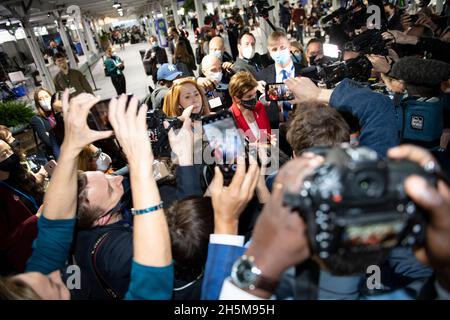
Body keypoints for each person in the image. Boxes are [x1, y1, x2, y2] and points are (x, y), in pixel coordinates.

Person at [0, 90, 174, 300]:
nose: (58, 273)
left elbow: (53, 226)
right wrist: (140, 165)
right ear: (100, 218)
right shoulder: (118, 252)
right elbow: (154, 279)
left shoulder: (55, 267)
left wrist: (72, 145)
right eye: (54, 285)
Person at [0, 139, 46, 274]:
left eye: (9, 150)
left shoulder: (18, 175)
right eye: (3, 155)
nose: (10, 156)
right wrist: (35, 219)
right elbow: (4, 242)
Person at [256, 31, 304, 128]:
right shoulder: (261, 76)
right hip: (273, 129)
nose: (279, 52)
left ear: (289, 47)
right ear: (269, 51)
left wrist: (271, 91)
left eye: (282, 47)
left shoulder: (304, 72)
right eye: (274, 49)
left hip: (302, 128)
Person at [228, 72, 271, 143]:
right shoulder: (230, 119)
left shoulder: (259, 107)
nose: (254, 98)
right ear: (236, 98)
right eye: (249, 96)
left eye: (255, 94)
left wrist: (269, 141)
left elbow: (268, 134)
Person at [29, 88, 61, 159]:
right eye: (40, 99)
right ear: (38, 103)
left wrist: (53, 136)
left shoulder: (61, 111)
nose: (44, 100)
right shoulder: (36, 120)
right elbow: (49, 143)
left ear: (51, 97)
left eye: (46, 97)